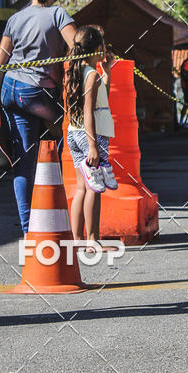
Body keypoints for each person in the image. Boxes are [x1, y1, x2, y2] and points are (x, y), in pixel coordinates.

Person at [0, 0, 76, 235]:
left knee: (23, 161)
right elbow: (78, 47)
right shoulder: (58, 14)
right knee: (69, 129)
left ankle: (29, 232)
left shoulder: (15, 19)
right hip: (37, 93)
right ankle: (63, 197)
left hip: (10, 91)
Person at [64, 25, 117, 242]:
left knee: (81, 188)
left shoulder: (75, 72)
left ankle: (77, 240)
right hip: (91, 136)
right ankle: (93, 240)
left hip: (74, 133)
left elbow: (100, 95)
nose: (106, 49)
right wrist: (93, 145)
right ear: (96, 48)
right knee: (94, 188)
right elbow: (89, 111)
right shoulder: (92, 75)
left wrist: (108, 70)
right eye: (103, 45)